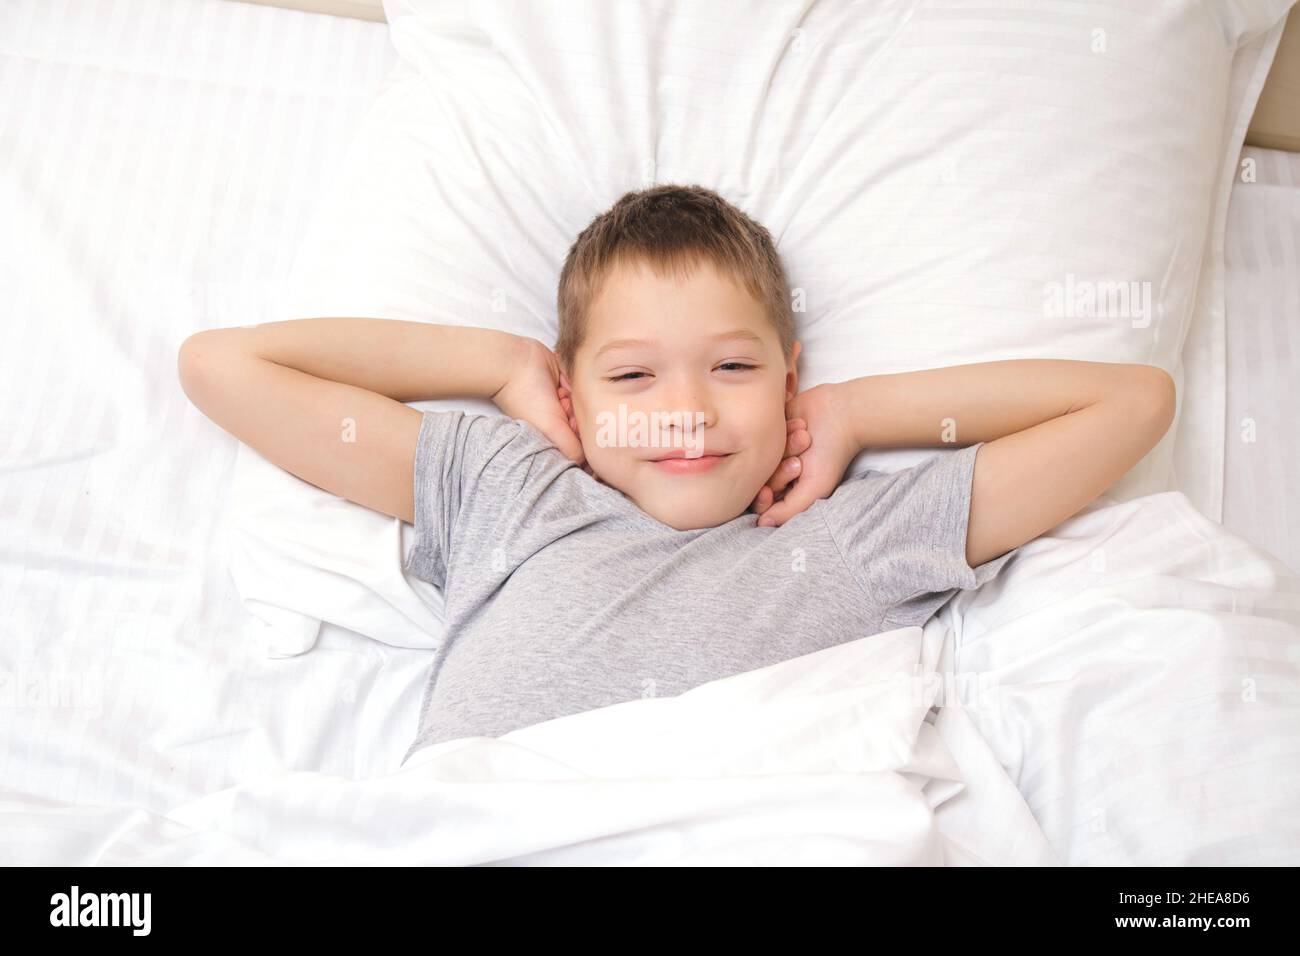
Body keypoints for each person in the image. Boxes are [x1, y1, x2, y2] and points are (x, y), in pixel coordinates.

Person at [177, 184, 1176, 764]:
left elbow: (1132, 403)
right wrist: (497, 365)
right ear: (573, 392)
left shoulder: (850, 535)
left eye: (734, 366)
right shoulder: (505, 487)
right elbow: (223, 367)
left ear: (791, 377)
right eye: (632, 374)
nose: (687, 408)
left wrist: (855, 413)